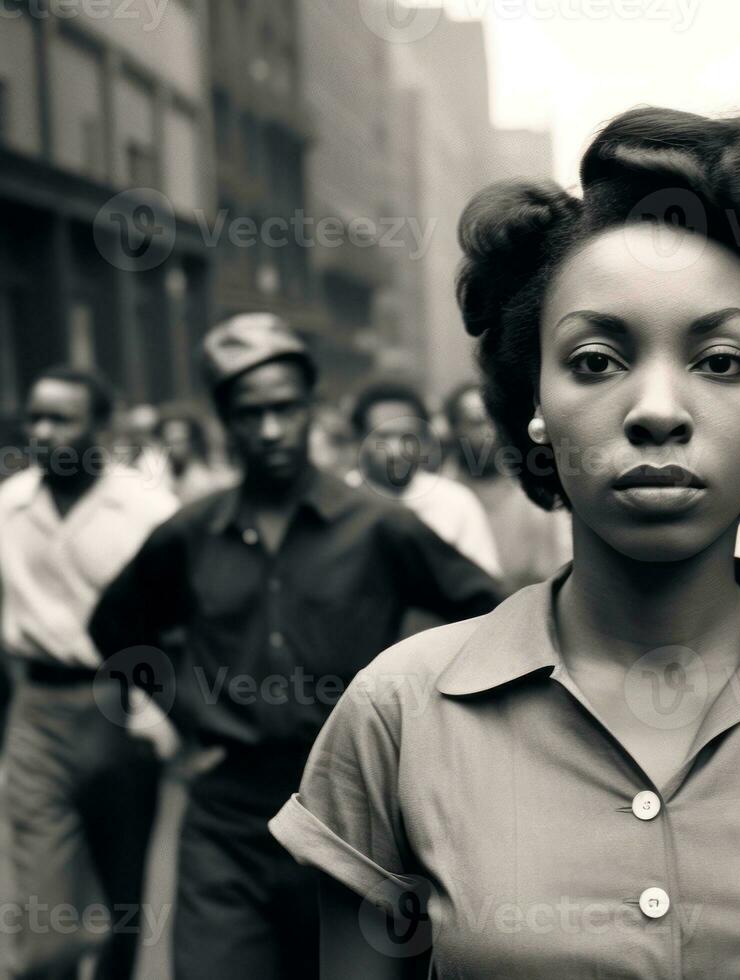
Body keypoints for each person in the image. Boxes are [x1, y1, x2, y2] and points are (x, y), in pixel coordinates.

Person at [269, 107, 740, 979]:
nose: (657, 409)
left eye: (720, 361)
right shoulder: (396, 717)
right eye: (595, 359)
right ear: (537, 406)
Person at [87, 314, 504, 980]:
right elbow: (115, 627)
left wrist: (420, 721)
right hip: (229, 816)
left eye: (285, 408)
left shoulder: (379, 528)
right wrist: (187, 713)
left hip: (349, 812)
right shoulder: (190, 534)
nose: (272, 430)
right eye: (250, 414)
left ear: (312, 407)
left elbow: (489, 611)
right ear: (225, 420)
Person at [0, 366, 177, 980]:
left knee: (123, 890)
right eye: (36, 418)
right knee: (43, 922)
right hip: (38, 713)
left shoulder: (146, 509)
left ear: (99, 427)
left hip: (119, 709)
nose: (45, 432)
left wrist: (164, 712)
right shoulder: (8, 505)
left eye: (63, 419)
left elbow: (180, 617)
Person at [346, 377, 501, 578]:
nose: (396, 450)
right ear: (359, 440)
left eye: (407, 437)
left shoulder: (456, 503)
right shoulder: (339, 503)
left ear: (424, 440)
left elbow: (485, 586)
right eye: (382, 437)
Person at [443, 380, 572, 593]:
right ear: (454, 429)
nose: (489, 432)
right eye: (476, 422)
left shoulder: (537, 494)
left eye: (494, 421)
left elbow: (556, 574)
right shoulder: (438, 497)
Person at [156, 405, 234, 504]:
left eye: (179, 441)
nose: (172, 448)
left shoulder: (210, 478)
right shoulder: (163, 472)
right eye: (168, 441)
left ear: (194, 441)